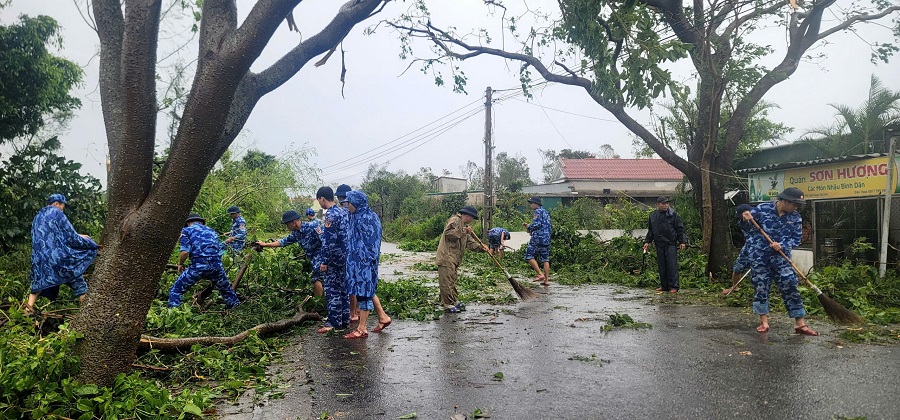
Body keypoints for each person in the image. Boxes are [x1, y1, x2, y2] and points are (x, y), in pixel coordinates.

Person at [741, 187, 818, 336]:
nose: (796, 208)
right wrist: (745, 217)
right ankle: (764, 321)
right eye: (794, 204)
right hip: (760, 256)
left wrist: (781, 244)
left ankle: (800, 324)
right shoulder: (763, 209)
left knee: (790, 285)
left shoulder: (795, 218)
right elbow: (747, 227)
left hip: (781, 257)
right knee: (761, 287)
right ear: (785, 201)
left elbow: (795, 239)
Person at [26, 194, 99, 311]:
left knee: (37, 285)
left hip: (39, 259)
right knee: (79, 284)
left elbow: (54, 234)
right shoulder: (57, 213)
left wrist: (77, 235)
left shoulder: (38, 216)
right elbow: (70, 237)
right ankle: (85, 317)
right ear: (56, 203)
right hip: (58, 258)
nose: (63, 208)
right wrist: (91, 244)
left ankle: (26, 311)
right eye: (63, 205)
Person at [343, 191, 393, 339]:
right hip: (355, 262)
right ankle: (383, 317)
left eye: (349, 203)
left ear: (356, 203)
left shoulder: (367, 218)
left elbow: (370, 244)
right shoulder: (355, 215)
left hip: (363, 262)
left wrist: (363, 263)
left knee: (364, 292)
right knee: (365, 290)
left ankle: (361, 328)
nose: (347, 205)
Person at [168, 213, 240, 309]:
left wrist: (180, 264)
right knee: (227, 291)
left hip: (198, 267)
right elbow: (217, 249)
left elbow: (185, 252)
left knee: (176, 290)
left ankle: (173, 314)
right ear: (201, 222)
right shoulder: (212, 231)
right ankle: (237, 311)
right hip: (216, 267)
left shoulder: (186, 231)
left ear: (188, 223)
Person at [255, 209, 325, 297]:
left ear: (293, 222)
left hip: (323, 257)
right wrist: (265, 244)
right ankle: (321, 302)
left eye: (287, 224)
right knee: (320, 279)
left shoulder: (313, 226)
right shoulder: (296, 233)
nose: (287, 227)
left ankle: (318, 303)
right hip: (314, 259)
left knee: (316, 278)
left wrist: (326, 260)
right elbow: (283, 242)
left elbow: (326, 242)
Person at [436, 206, 488, 313]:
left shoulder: (464, 226)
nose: (472, 221)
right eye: (472, 218)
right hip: (447, 256)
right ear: (467, 216)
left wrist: (481, 247)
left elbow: (469, 242)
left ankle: (453, 301)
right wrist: (464, 230)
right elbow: (449, 233)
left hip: (454, 258)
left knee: (452, 280)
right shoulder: (455, 220)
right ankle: (448, 305)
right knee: (447, 281)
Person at [314, 186, 351, 333]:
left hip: (334, 259)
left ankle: (333, 323)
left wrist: (324, 261)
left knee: (332, 291)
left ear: (322, 198)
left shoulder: (330, 215)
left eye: (319, 200)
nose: (320, 203)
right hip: (344, 257)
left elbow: (329, 241)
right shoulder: (342, 212)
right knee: (343, 289)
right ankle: (344, 321)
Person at [643, 197, 686, 293]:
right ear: (657, 204)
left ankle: (674, 286)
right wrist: (647, 242)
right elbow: (651, 231)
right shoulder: (653, 216)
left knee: (672, 265)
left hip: (671, 243)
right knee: (662, 266)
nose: (666, 205)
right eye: (663, 203)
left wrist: (682, 241)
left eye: (667, 203)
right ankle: (664, 286)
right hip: (659, 244)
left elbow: (680, 229)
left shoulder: (674, 215)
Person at [723, 204, 754, 294]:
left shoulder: (761, 220)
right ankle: (735, 287)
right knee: (737, 267)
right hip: (748, 247)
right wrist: (745, 220)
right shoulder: (741, 223)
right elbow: (744, 226)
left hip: (760, 249)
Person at [524, 197, 551, 286]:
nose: (531, 205)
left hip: (538, 237)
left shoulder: (537, 212)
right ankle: (546, 280)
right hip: (546, 238)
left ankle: (540, 274)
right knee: (545, 259)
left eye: (532, 203)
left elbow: (537, 224)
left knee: (529, 255)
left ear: (536, 204)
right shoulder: (545, 212)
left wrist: (528, 227)